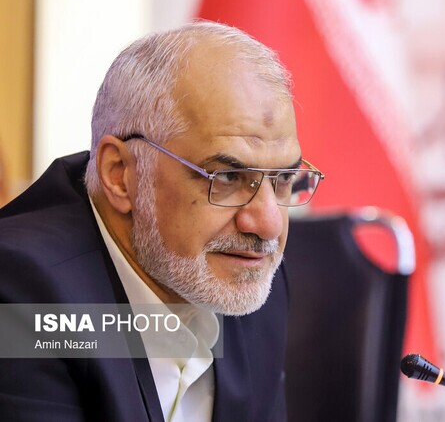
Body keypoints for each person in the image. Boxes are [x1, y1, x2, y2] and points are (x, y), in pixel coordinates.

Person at [0, 21, 323, 422]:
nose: (269, 225)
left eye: (284, 179)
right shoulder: (20, 291)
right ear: (120, 175)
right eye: (226, 178)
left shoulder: (250, 273)